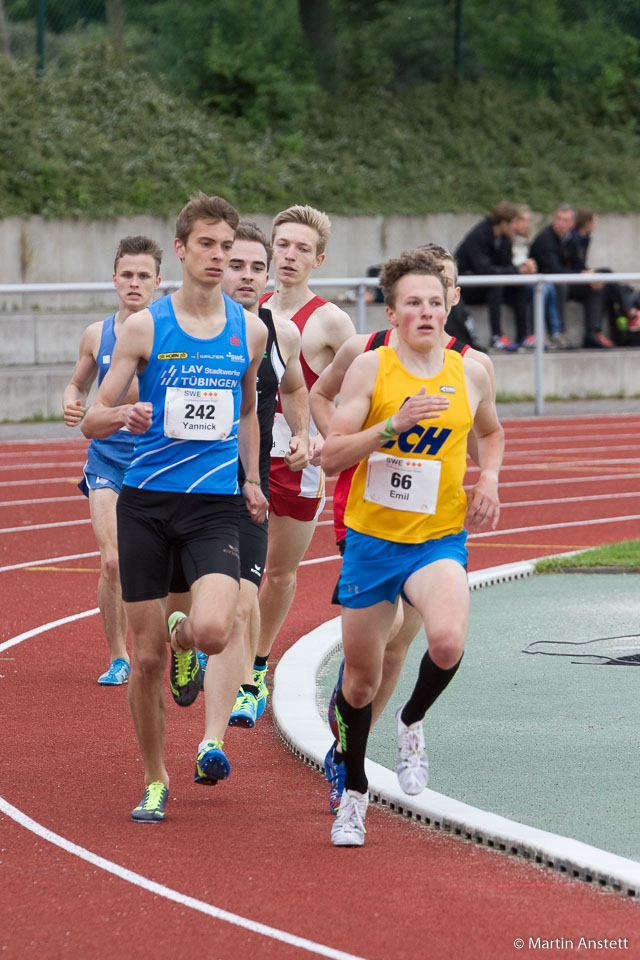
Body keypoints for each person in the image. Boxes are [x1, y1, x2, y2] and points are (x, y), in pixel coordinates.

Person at [82, 193, 268, 823]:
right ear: (182, 250)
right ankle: (156, 778)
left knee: (215, 630)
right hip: (146, 505)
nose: (219, 257)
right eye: (207, 246)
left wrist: (251, 477)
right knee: (146, 662)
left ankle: (185, 638)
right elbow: (92, 418)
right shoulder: (145, 327)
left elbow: (245, 411)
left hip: (214, 506)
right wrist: (122, 414)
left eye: (227, 246)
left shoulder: (250, 330)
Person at [321, 249, 504, 846]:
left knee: (447, 641)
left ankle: (412, 721)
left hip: (437, 538)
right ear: (392, 311)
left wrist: (490, 479)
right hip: (372, 542)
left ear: (449, 303)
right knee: (358, 686)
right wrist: (391, 427)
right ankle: (354, 792)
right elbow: (332, 454)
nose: (425, 312)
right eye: (412, 303)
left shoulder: (472, 371)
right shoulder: (371, 370)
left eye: (434, 301)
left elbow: (492, 431)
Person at [170, 220, 309, 761]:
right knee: (194, 620)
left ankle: (212, 741)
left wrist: (303, 433)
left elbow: (294, 387)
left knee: (242, 609)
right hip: (180, 493)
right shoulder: (174, 327)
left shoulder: (278, 332)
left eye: (257, 267)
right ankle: (181, 640)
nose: (248, 276)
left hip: (245, 491)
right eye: (237, 265)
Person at [254, 204, 356, 714]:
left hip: (298, 460)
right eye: (282, 245)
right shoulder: (249, 305)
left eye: (301, 249)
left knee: (277, 572)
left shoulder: (330, 320)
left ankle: (255, 667)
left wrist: (324, 437)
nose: (289, 255)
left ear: (318, 258)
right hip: (245, 451)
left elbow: (358, 390)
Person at [62, 236, 162, 685]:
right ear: (114, 279)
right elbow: (77, 385)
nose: (135, 283)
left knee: (162, 565)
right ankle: (119, 656)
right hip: (106, 459)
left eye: (144, 276)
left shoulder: (169, 332)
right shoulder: (96, 334)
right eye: (127, 275)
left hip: (157, 462)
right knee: (112, 562)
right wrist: (70, 402)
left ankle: (165, 644)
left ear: (158, 281)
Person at [455, 201, 537, 352]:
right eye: (513, 223)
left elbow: (504, 267)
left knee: (520, 286)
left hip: (487, 283)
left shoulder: (505, 238)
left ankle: (524, 336)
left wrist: (521, 270)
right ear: (504, 223)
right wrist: (516, 270)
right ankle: (496, 337)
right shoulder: (478, 235)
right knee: (496, 284)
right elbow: (484, 269)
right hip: (468, 286)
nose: (515, 227)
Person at [529, 204, 611, 349]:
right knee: (561, 285)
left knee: (598, 282)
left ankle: (592, 332)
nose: (561, 223)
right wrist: (581, 274)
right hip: (546, 283)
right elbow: (553, 270)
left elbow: (578, 264)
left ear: (572, 223)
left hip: (567, 280)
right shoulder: (545, 239)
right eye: (558, 219)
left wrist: (588, 275)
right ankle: (559, 333)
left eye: (566, 220)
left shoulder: (572, 238)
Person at [569, 208, 636, 343]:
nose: (596, 224)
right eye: (595, 221)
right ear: (587, 223)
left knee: (605, 284)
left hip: (579, 274)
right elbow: (573, 265)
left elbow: (580, 264)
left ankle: (597, 331)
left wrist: (589, 273)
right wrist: (587, 273)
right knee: (606, 273)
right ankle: (630, 312)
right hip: (570, 280)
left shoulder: (585, 238)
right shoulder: (574, 238)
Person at [511, 205, 567, 348]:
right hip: (513, 282)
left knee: (548, 287)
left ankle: (555, 332)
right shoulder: (508, 240)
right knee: (544, 288)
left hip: (526, 278)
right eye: (522, 220)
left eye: (528, 221)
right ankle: (538, 333)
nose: (525, 224)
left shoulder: (525, 241)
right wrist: (523, 268)